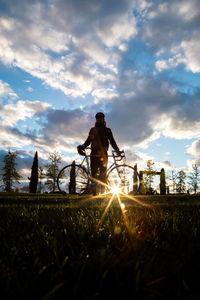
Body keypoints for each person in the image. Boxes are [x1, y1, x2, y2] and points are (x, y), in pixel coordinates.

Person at [77, 112, 121, 194]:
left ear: (104, 119)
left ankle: (102, 193)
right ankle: (94, 193)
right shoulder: (93, 130)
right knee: (94, 173)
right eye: (98, 118)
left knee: (103, 174)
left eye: (101, 118)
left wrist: (117, 149)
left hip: (103, 154)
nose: (99, 119)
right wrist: (83, 146)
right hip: (94, 153)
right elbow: (88, 140)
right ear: (96, 119)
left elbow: (112, 141)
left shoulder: (107, 130)